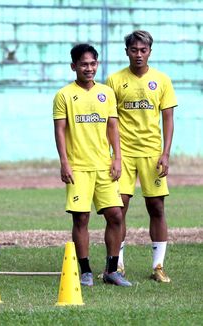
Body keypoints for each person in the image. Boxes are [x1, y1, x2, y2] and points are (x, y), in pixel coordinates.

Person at [53, 44, 131, 287]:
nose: (89, 68)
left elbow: (112, 127)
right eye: (84, 64)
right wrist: (64, 162)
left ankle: (111, 270)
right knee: (81, 218)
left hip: (103, 166)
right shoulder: (64, 95)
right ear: (74, 66)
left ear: (97, 64)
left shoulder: (106, 93)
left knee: (116, 215)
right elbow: (60, 130)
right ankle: (85, 270)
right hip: (78, 167)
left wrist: (117, 157)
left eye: (92, 63)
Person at [106, 30, 177, 283]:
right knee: (119, 209)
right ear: (126, 51)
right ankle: (118, 265)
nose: (138, 54)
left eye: (143, 50)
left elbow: (168, 119)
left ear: (150, 51)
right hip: (123, 155)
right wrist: (113, 154)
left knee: (156, 207)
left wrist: (166, 153)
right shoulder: (114, 80)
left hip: (151, 154)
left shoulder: (162, 80)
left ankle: (158, 266)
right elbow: (110, 121)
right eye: (134, 50)